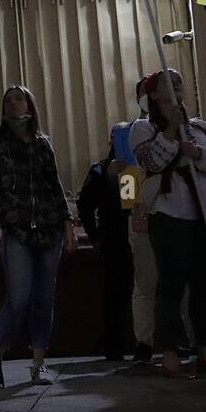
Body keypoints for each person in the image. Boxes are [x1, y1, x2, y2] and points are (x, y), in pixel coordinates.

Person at [0, 85, 77, 386]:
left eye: (19, 98)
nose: (13, 104)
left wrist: (68, 224)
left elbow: (55, 184)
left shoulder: (42, 143)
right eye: (8, 100)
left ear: (30, 104)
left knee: (44, 298)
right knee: (18, 298)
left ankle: (39, 364)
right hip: (17, 228)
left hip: (49, 226)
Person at [130, 70, 206, 380]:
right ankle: (170, 354)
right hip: (170, 213)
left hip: (205, 213)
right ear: (153, 93)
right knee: (171, 286)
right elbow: (150, 162)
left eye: (179, 81)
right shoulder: (142, 127)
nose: (175, 85)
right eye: (167, 83)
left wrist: (198, 152)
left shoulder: (200, 126)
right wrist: (172, 131)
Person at [78, 132, 134, 360]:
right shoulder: (100, 170)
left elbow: (131, 201)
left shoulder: (137, 167)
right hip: (113, 239)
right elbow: (85, 205)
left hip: (138, 236)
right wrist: (95, 236)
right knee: (115, 294)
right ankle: (115, 345)